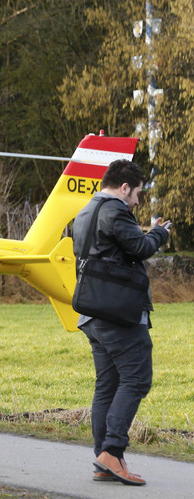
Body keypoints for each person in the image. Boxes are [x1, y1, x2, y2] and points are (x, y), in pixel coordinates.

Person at [73, 159, 171, 486]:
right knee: (137, 378)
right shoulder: (114, 210)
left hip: (92, 312)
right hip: (117, 314)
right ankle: (113, 451)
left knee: (108, 385)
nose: (137, 202)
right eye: (137, 193)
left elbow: (113, 250)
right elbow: (141, 247)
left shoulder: (86, 210)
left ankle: (105, 460)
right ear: (125, 186)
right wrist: (159, 232)